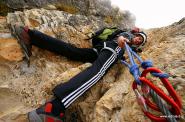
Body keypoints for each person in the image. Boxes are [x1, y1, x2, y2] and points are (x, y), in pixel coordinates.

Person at [11, 25, 147, 121]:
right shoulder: (127, 37)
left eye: (140, 41)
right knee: (98, 72)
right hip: (115, 47)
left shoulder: (130, 44)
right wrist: (122, 40)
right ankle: (52, 109)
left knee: (71, 51)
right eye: (139, 37)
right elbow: (123, 37)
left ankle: (31, 35)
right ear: (135, 35)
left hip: (98, 50)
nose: (138, 39)